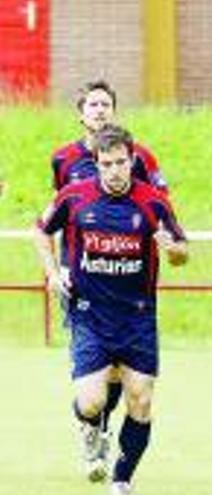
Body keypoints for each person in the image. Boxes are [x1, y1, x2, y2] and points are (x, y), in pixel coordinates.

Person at [33, 124, 188, 495]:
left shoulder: (153, 202)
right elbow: (40, 231)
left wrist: (173, 249)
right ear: (96, 163)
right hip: (90, 313)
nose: (115, 171)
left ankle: (121, 479)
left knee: (141, 398)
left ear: (132, 161)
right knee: (92, 401)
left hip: (137, 316)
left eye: (121, 162)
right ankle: (90, 427)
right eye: (107, 164)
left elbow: (182, 253)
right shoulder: (74, 197)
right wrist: (53, 274)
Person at [50, 80, 169, 466]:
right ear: (80, 113)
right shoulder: (64, 160)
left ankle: (100, 431)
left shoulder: (143, 159)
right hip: (83, 278)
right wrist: (57, 269)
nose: (99, 110)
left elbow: (161, 209)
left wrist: (166, 241)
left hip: (130, 279)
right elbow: (57, 218)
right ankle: (93, 423)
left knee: (120, 375)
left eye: (106, 104)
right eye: (93, 104)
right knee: (96, 379)